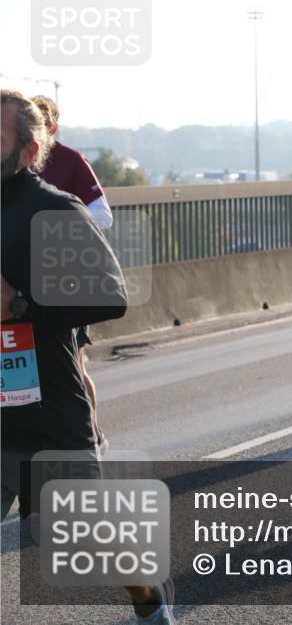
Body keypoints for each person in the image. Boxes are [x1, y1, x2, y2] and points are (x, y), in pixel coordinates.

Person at [1, 90, 174, 624]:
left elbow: (108, 297)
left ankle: (149, 602)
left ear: (29, 152)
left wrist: (19, 304)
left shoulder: (53, 209)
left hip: (48, 406)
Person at [31, 95, 112, 452]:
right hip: (20, 284)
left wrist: (59, 227)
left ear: (53, 128)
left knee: (73, 369)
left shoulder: (70, 161)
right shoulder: (11, 162)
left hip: (66, 284)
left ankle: (93, 436)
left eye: (42, 128)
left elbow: (104, 216)